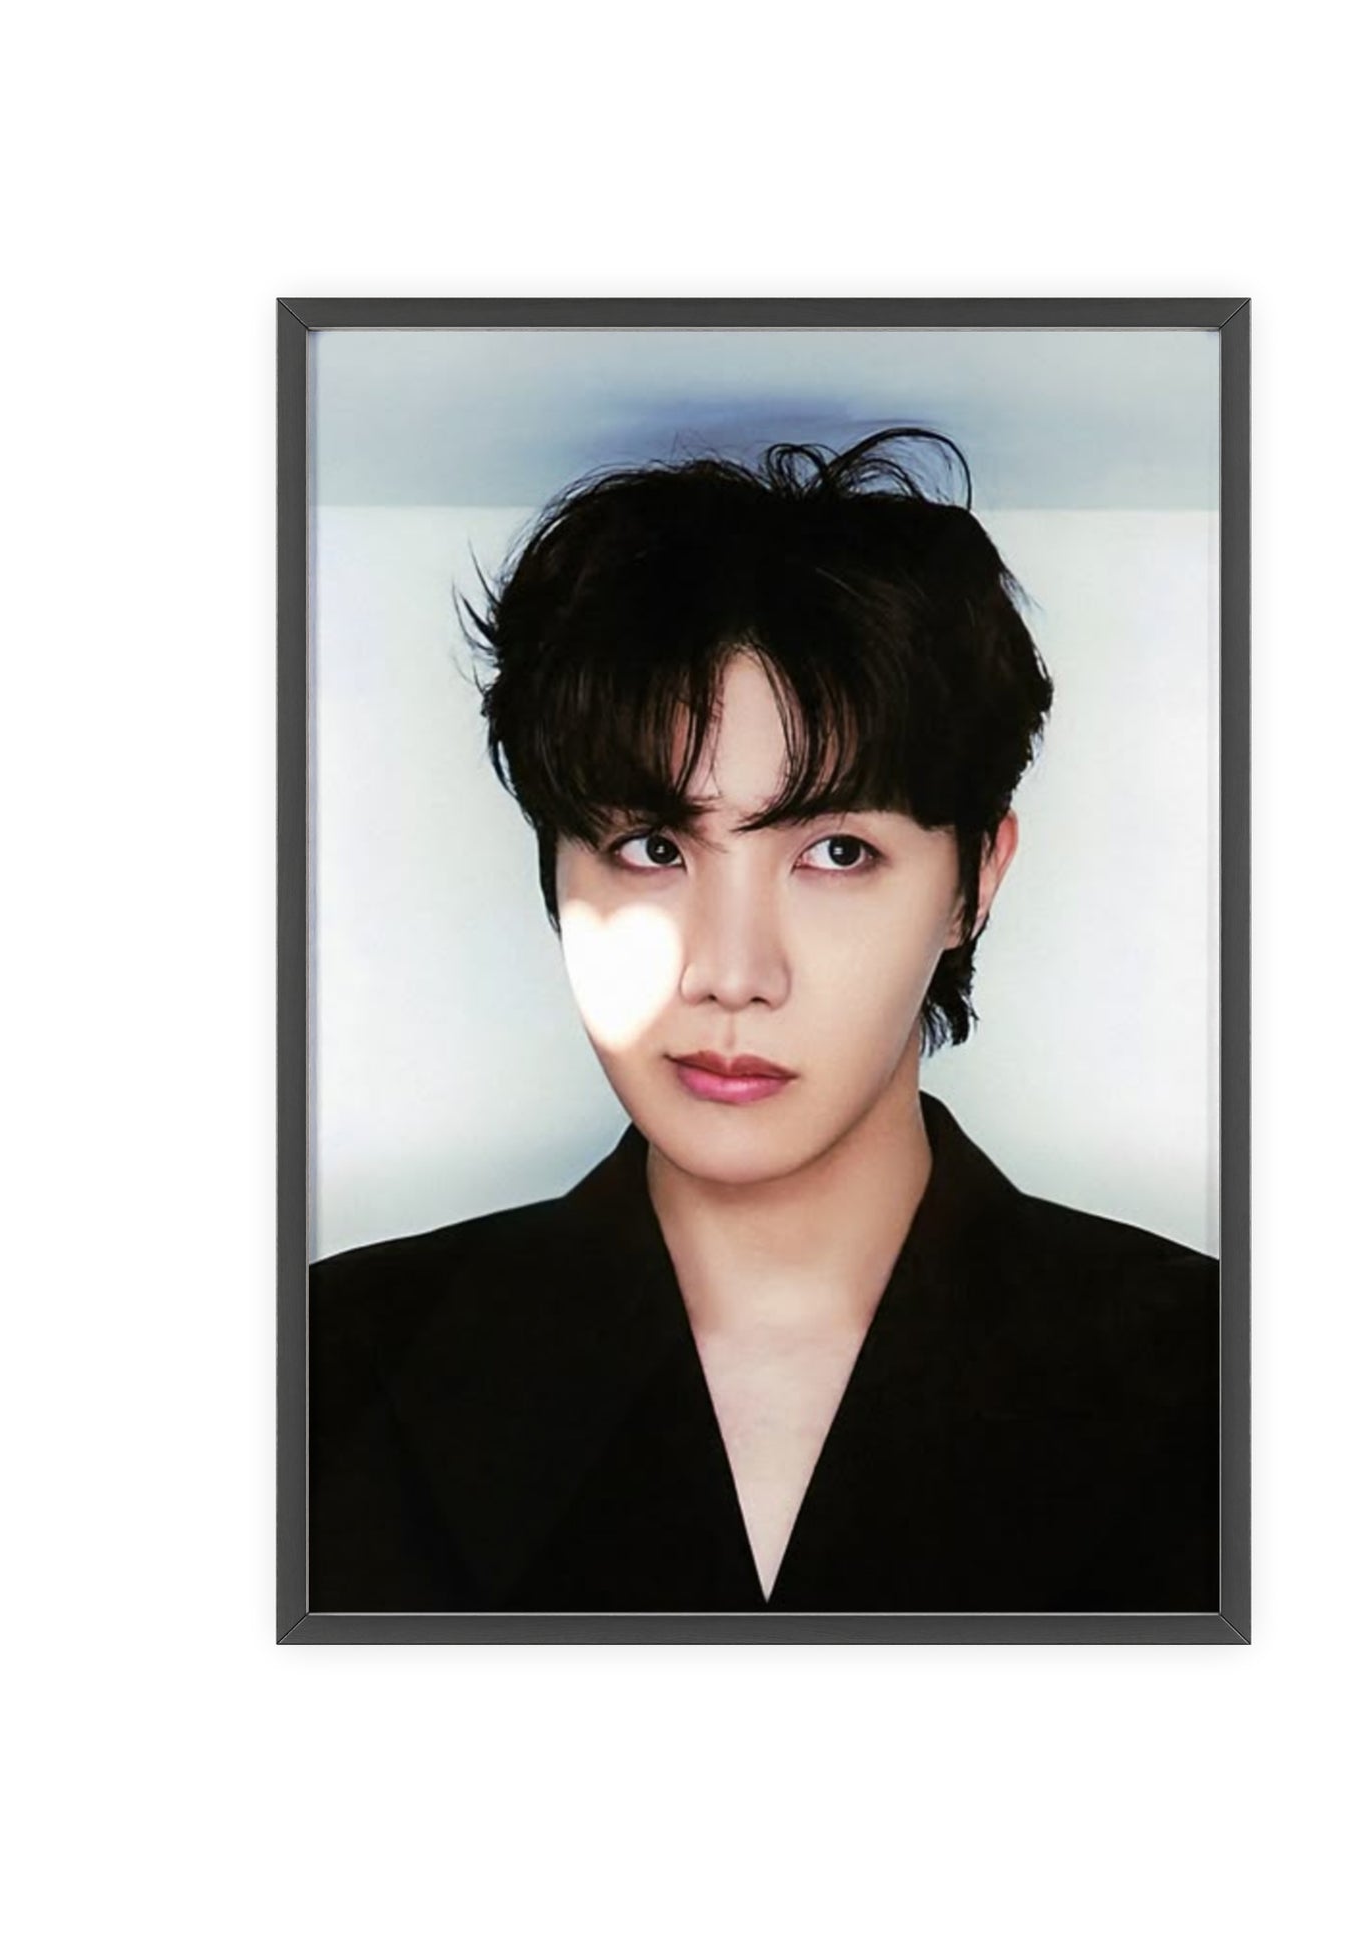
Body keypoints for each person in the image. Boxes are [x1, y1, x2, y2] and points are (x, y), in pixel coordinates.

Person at [309, 429, 1218, 1613]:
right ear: (554, 864)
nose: (731, 972)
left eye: (836, 852)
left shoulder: (1218, 1374)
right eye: (651, 846)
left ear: (974, 881)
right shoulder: (323, 1366)